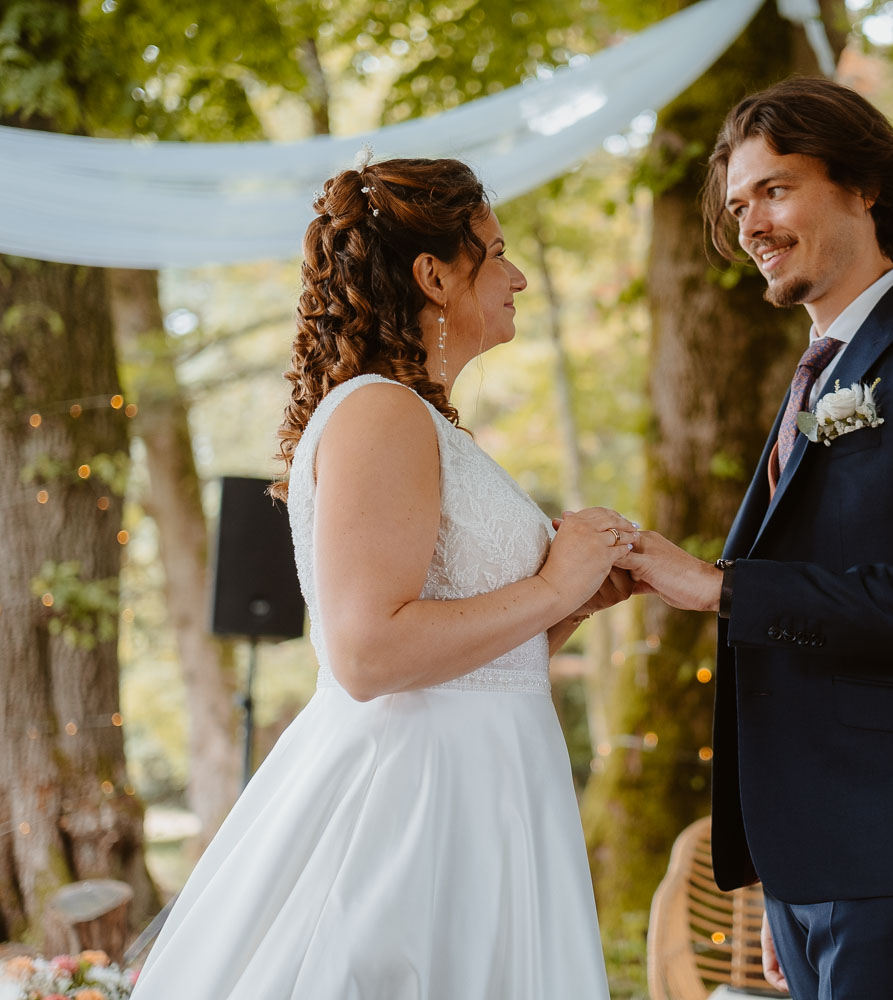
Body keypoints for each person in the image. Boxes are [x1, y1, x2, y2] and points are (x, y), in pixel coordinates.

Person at [132, 158, 633, 999]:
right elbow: (369, 653)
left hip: (486, 787)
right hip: (415, 803)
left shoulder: (425, 420)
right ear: (434, 274)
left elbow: (458, 645)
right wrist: (550, 587)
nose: (516, 277)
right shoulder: (382, 411)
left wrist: (568, 606)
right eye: (496, 252)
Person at [617, 78, 893, 999]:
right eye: (739, 204)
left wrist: (724, 586)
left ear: (864, 187)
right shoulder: (818, 376)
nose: (750, 224)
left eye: (776, 190)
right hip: (827, 855)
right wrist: (794, 876)